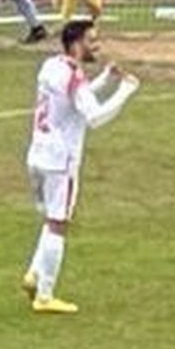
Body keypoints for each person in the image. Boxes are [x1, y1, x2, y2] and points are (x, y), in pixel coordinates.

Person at [22, 19, 140, 314]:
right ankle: (45, 295)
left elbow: (75, 98)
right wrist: (125, 91)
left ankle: (34, 274)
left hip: (37, 154)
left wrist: (106, 78)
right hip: (60, 161)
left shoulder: (51, 66)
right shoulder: (73, 75)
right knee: (59, 223)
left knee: (51, 219)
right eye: (91, 41)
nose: (96, 46)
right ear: (76, 44)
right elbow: (94, 116)